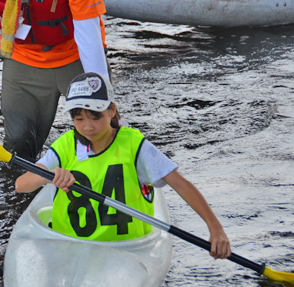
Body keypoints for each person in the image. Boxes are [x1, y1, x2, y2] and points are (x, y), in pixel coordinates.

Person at [15, 72, 231, 259]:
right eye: (79, 119)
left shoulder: (134, 146)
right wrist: (50, 175)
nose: (87, 127)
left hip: (126, 250)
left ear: (112, 110)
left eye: (95, 117)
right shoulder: (65, 145)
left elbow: (180, 184)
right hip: (68, 245)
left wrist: (215, 228)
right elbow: (21, 185)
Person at [0, 0, 110, 161]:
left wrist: (99, 90)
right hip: (23, 56)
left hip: (76, 56)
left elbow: (89, 36)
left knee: (98, 131)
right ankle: (23, 184)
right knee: (18, 142)